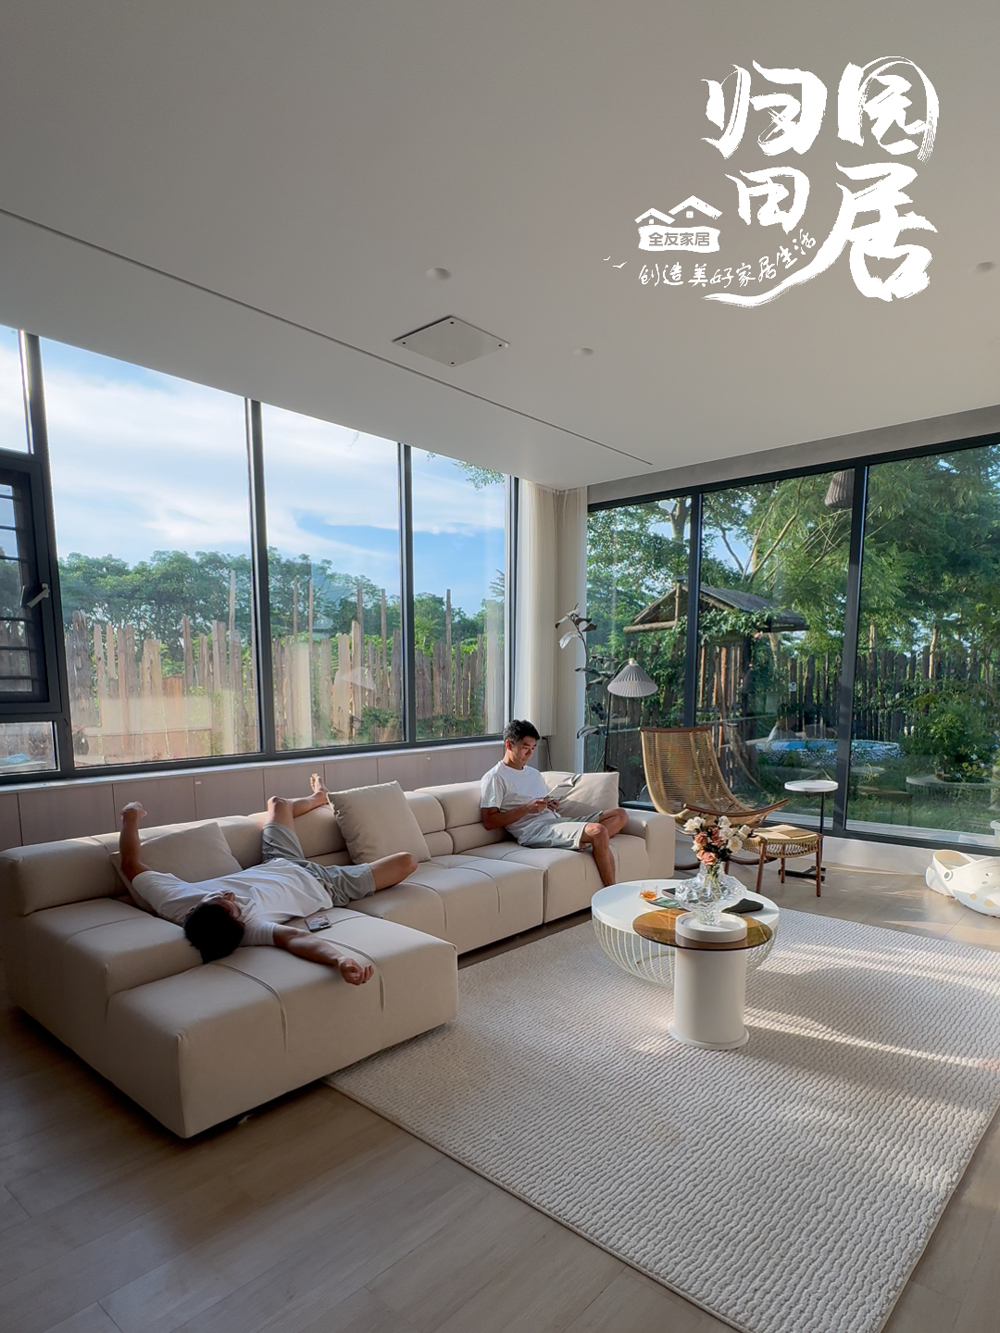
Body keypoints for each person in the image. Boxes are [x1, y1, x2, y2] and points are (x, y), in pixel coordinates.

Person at [117, 775, 416, 985]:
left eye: (219, 898)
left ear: (194, 909)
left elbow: (130, 864)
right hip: (325, 884)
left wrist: (131, 817)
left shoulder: (172, 900)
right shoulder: (248, 929)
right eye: (234, 907)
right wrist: (339, 960)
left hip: (278, 860)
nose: (230, 896)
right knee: (407, 861)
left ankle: (319, 797)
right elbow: (296, 938)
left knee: (278, 803)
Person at [480, 719, 628, 886]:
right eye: (525, 748)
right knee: (598, 831)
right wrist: (527, 809)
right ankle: (611, 891)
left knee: (619, 815)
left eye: (533, 748)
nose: (529, 754)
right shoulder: (495, 777)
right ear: (509, 745)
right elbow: (489, 821)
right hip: (534, 831)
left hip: (555, 822)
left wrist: (550, 806)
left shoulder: (534, 774)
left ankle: (581, 841)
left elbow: (541, 803)